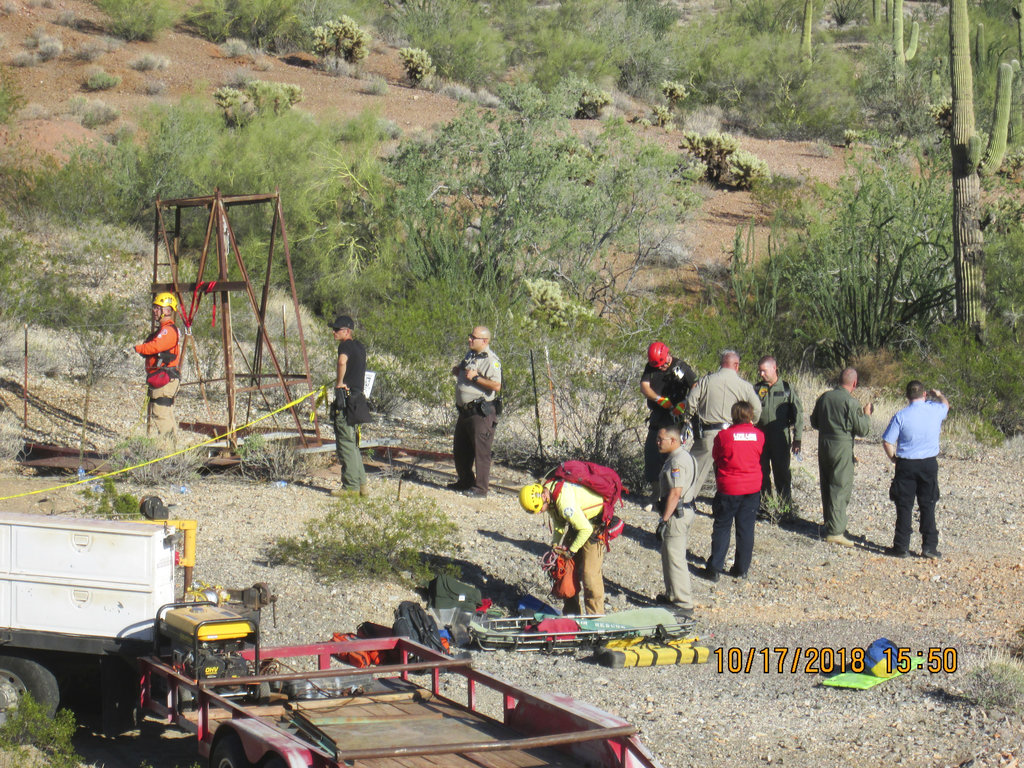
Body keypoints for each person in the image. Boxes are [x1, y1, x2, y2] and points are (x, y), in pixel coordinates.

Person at [881, 381, 949, 559]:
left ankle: (901, 547)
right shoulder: (935, 410)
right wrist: (939, 394)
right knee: (928, 504)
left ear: (907, 396)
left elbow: (888, 441)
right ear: (924, 394)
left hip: (906, 464)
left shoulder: (901, 415)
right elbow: (946, 405)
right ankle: (929, 547)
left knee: (904, 504)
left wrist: (894, 458)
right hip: (928, 464)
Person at [519, 480, 606, 615]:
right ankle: (572, 613)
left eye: (539, 508)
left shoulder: (564, 503)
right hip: (577, 523)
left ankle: (596, 617)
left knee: (590, 574)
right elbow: (558, 521)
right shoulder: (548, 494)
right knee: (565, 570)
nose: (539, 512)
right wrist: (555, 545)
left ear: (543, 497)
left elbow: (585, 529)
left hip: (594, 527)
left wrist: (571, 551)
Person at [809, 368, 873, 547]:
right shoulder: (851, 402)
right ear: (854, 383)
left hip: (824, 444)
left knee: (826, 483)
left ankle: (830, 524)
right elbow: (862, 429)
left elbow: (814, 422)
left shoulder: (825, 398)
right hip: (842, 446)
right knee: (840, 485)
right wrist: (867, 414)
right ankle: (836, 531)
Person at [686, 350, 761, 499]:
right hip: (732, 437)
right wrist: (750, 423)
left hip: (707, 434)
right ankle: (722, 508)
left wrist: (690, 417)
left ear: (721, 363)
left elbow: (690, 402)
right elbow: (757, 409)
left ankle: (684, 505)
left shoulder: (706, 381)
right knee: (727, 475)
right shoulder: (744, 386)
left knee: (694, 473)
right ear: (737, 365)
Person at [703, 401, 764, 581]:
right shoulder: (759, 435)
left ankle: (715, 567)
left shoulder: (724, 436)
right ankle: (741, 568)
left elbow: (717, 456)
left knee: (722, 526)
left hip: (729, 487)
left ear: (733, 415)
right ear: (751, 415)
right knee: (746, 529)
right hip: (752, 487)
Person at [640, 342, 697, 502]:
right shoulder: (650, 367)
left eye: (664, 363)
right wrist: (659, 399)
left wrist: (685, 403)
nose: (662, 367)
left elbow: (695, 385)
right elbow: (644, 387)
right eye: (659, 365)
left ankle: (673, 493)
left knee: (671, 454)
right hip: (658, 414)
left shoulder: (681, 366)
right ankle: (656, 492)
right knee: (652, 450)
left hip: (674, 417)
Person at [450, 326, 502, 498]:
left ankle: (480, 489)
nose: (469, 339)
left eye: (474, 337)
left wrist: (476, 378)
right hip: (464, 412)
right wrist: (459, 373)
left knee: (481, 452)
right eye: (470, 336)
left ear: (484, 341)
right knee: (460, 449)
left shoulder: (491, 360)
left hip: (481, 413)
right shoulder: (470, 354)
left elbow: (496, 385)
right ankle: (465, 481)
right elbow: (466, 372)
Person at [653, 424, 699, 616]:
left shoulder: (676, 462)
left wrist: (664, 520)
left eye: (660, 439)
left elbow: (675, 492)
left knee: (675, 557)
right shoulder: (682, 456)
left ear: (673, 440)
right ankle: (672, 595)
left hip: (676, 514)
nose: (657, 443)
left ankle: (683, 602)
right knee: (669, 555)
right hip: (683, 511)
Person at [753, 356, 803, 509]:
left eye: (764, 371)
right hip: (760, 437)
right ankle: (765, 506)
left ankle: (784, 507)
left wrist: (797, 439)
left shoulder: (786, 389)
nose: (761, 374)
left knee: (782, 473)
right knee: (761, 473)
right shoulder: (757, 389)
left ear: (774, 368)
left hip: (780, 438)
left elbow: (798, 415)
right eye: (760, 371)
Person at [329, 314, 367, 498]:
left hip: (346, 397)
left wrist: (339, 382)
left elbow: (342, 361)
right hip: (358, 398)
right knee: (353, 443)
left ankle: (350, 487)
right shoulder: (360, 347)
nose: (334, 332)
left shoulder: (345, 346)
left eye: (337, 329)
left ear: (347, 331)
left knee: (345, 442)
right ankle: (361, 485)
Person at [134, 292, 181, 440]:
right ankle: (173, 452)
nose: (154, 311)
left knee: (161, 414)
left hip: (165, 379)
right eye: (154, 307)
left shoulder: (168, 331)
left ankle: (167, 453)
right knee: (165, 413)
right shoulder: (163, 330)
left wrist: (137, 348)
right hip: (163, 378)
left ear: (167, 310)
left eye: (157, 308)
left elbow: (155, 347)